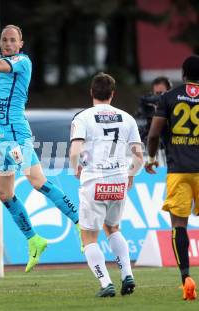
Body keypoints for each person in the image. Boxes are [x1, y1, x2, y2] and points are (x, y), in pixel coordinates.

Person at [0, 10, 79, 273]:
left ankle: (80, 223)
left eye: (13, 40)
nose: (9, 43)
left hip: (16, 132)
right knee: (4, 194)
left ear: (20, 44)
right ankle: (34, 239)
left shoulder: (22, 61)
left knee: (37, 181)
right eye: (5, 39)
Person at [69, 73, 143, 297]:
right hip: (119, 180)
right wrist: (131, 174)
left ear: (92, 92)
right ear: (113, 94)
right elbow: (139, 156)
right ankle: (127, 274)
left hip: (94, 179)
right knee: (113, 228)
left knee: (89, 236)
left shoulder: (83, 118)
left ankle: (105, 283)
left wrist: (76, 168)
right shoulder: (127, 118)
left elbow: (75, 151)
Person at [145, 55, 199, 301]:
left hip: (179, 171)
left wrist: (151, 157)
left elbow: (154, 133)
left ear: (183, 73)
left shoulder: (168, 97)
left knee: (179, 225)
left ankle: (186, 278)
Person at [136, 76, 172, 143]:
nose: (158, 98)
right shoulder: (149, 107)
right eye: (156, 94)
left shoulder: (176, 105)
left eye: (161, 93)